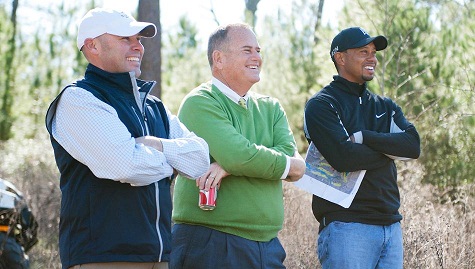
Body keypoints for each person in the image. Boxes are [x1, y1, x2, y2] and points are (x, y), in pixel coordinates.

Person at [45, 7, 210, 269]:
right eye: (126, 39)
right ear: (92, 46)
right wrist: (174, 163)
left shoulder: (154, 106)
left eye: (139, 40)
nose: (138, 47)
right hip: (104, 257)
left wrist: (153, 146)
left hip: (160, 257)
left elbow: (201, 159)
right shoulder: (78, 99)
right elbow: (126, 165)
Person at [170, 23, 306, 269]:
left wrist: (230, 165)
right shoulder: (199, 102)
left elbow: (297, 168)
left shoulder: (271, 108)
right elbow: (239, 155)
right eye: (247, 50)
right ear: (218, 59)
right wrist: (237, 160)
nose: (257, 57)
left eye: (258, 50)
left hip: (269, 245)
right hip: (211, 242)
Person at [304, 26, 421, 269]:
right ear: (341, 58)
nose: (372, 58)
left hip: (391, 225)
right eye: (363, 51)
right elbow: (344, 158)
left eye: (374, 52)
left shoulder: (385, 105)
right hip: (346, 227)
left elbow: (412, 146)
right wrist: (390, 153)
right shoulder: (322, 105)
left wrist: (363, 137)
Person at [0, 178, 38, 269]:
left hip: (8, 241)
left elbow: (32, 227)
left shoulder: (8, 188)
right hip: (9, 242)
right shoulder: (8, 188)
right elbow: (32, 227)